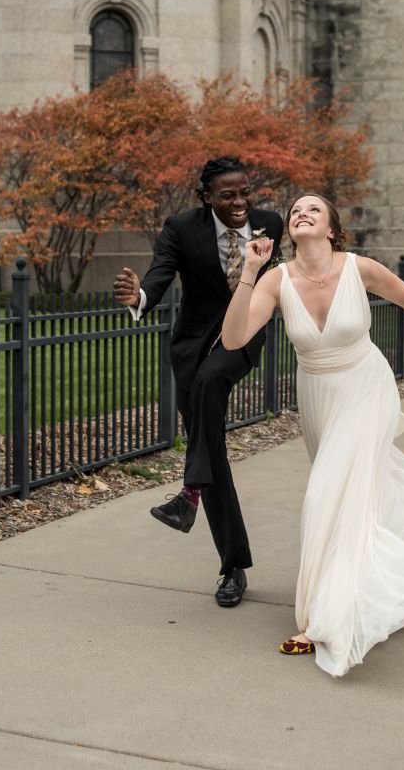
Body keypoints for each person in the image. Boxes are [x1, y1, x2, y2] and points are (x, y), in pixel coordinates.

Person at [221, 193, 404, 676]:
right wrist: (249, 272)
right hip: (317, 397)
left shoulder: (360, 268)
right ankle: (374, 575)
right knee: (348, 497)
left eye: (313, 210)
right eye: (296, 211)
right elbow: (233, 339)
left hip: (365, 387)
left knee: (324, 498)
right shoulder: (277, 279)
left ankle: (320, 620)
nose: (302, 214)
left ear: (332, 229)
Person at [113, 157, 283, 607]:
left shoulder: (270, 224)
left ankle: (187, 492)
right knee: (211, 450)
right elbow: (161, 273)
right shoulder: (182, 227)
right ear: (207, 197)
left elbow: (285, 275)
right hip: (192, 342)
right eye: (228, 195)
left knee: (211, 384)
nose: (240, 201)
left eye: (245, 191)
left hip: (240, 335)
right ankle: (233, 568)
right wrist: (141, 296)